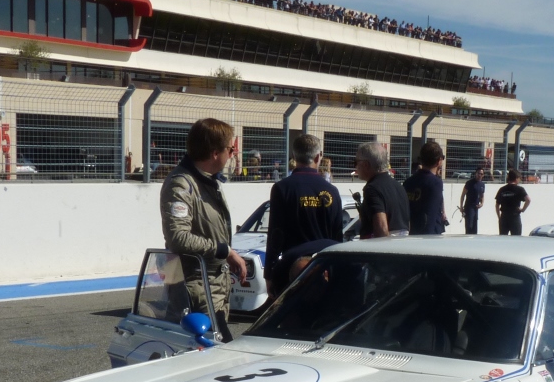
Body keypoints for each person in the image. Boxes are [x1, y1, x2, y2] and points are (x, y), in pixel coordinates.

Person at [160, 118, 247, 340]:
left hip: (214, 288)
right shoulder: (182, 184)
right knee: (220, 357)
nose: (232, 154)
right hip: (197, 290)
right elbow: (178, 237)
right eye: (230, 148)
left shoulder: (207, 182)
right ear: (215, 153)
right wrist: (224, 250)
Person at [264, 133, 343, 295]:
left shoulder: (282, 188)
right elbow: (337, 236)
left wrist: (270, 273)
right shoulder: (331, 191)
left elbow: (276, 233)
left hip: (293, 270)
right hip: (324, 268)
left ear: (294, 155)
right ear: (318, 157)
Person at [354, 141, 409, 237]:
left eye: (356, 162)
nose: (355, 166)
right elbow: (406, 224)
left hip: (381, 248)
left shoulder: (372, 188)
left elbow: (381, 228)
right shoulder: (399, 186)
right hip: (402, 245)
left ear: (366, 164)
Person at [402, 140, 447, 235]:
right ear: (439, 161)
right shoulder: (435, 183)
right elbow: (431, 215)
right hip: (428, 237)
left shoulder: (408, 182)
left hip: (411, 232)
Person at [495, 169, 531, 235]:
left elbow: (497, 205)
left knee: (503, 239)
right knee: (516, 240)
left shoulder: (502, 189)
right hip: (514, 217)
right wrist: (523, 209)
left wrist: (499, 217)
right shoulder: (520, 189)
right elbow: (528, 200)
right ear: (516, 178)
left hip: (504, 217)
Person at [459, 165, 486, 234]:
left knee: (474, 227)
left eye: (481, 174)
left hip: (476, 207)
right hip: (469, 207)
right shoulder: (469, 183)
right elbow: (463, 195)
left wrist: (482, 203)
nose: (479, 175)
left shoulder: (482, 184)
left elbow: (482, 195)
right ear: (475, 173)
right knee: (469, 226)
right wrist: (461, 207)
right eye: (478, 173)